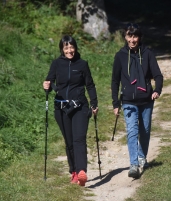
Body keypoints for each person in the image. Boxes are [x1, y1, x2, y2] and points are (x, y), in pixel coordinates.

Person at [43, 35, 98, 186]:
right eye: (66, 48)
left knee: (78, 139)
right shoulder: (56, 64)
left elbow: (90, 85)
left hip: (80, 106)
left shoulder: (82, 64)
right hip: (61, 109)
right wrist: (48, 86)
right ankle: (73, 172)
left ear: (75, 48)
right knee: (69, 142)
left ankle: (82, 172)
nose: (69, 50)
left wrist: (94, 103)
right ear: (62, 49)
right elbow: (49, 80)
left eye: (71, 47)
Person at [111, 23, 163, 178]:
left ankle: (142, 157)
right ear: (125, 37)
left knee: (145, 131)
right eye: (129, 36)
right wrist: (115, 103)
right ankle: (134, 164)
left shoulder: (147, 53)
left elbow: (158, 75)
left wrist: (157, 90)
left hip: (146, 100)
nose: (132, 40)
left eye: (135, 36)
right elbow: (115, 81)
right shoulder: (120, 56)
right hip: (128, 101)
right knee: (132, 131)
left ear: (139, 37)